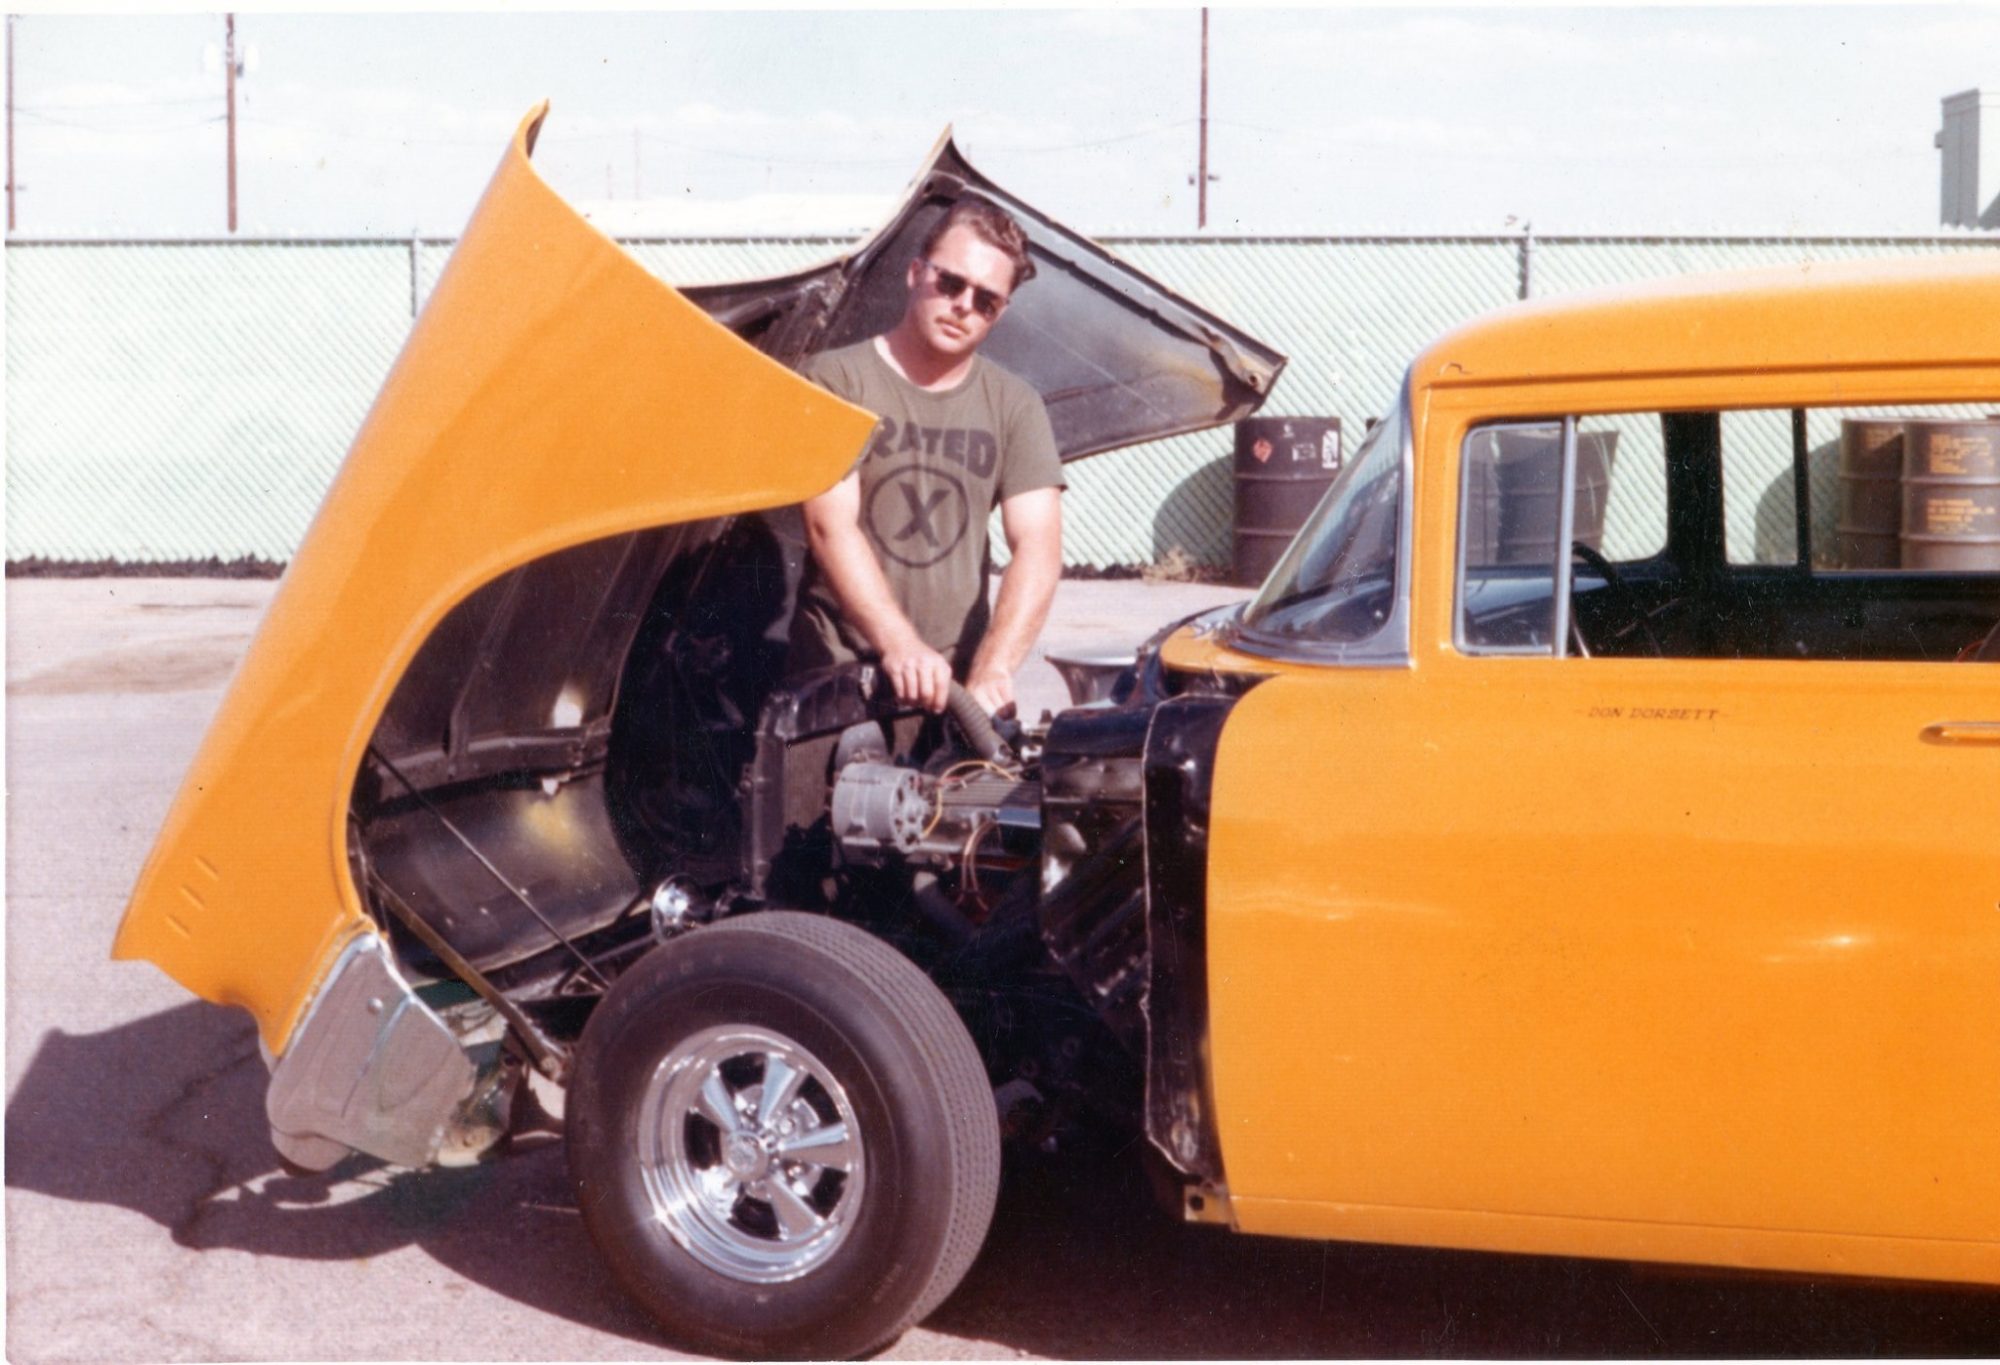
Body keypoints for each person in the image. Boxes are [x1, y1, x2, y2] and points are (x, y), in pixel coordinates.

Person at [788, 199, 1065, 717]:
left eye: (986, 300)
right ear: (916, 273)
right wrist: (902, 645)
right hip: (838, 679)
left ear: (999, 313)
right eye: (951, 283)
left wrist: (994, 667)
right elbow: (830, 527)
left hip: (955, 692)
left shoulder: (1016, 405)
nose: (964, 305)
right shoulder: (835, 380)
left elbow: (1038, 546)